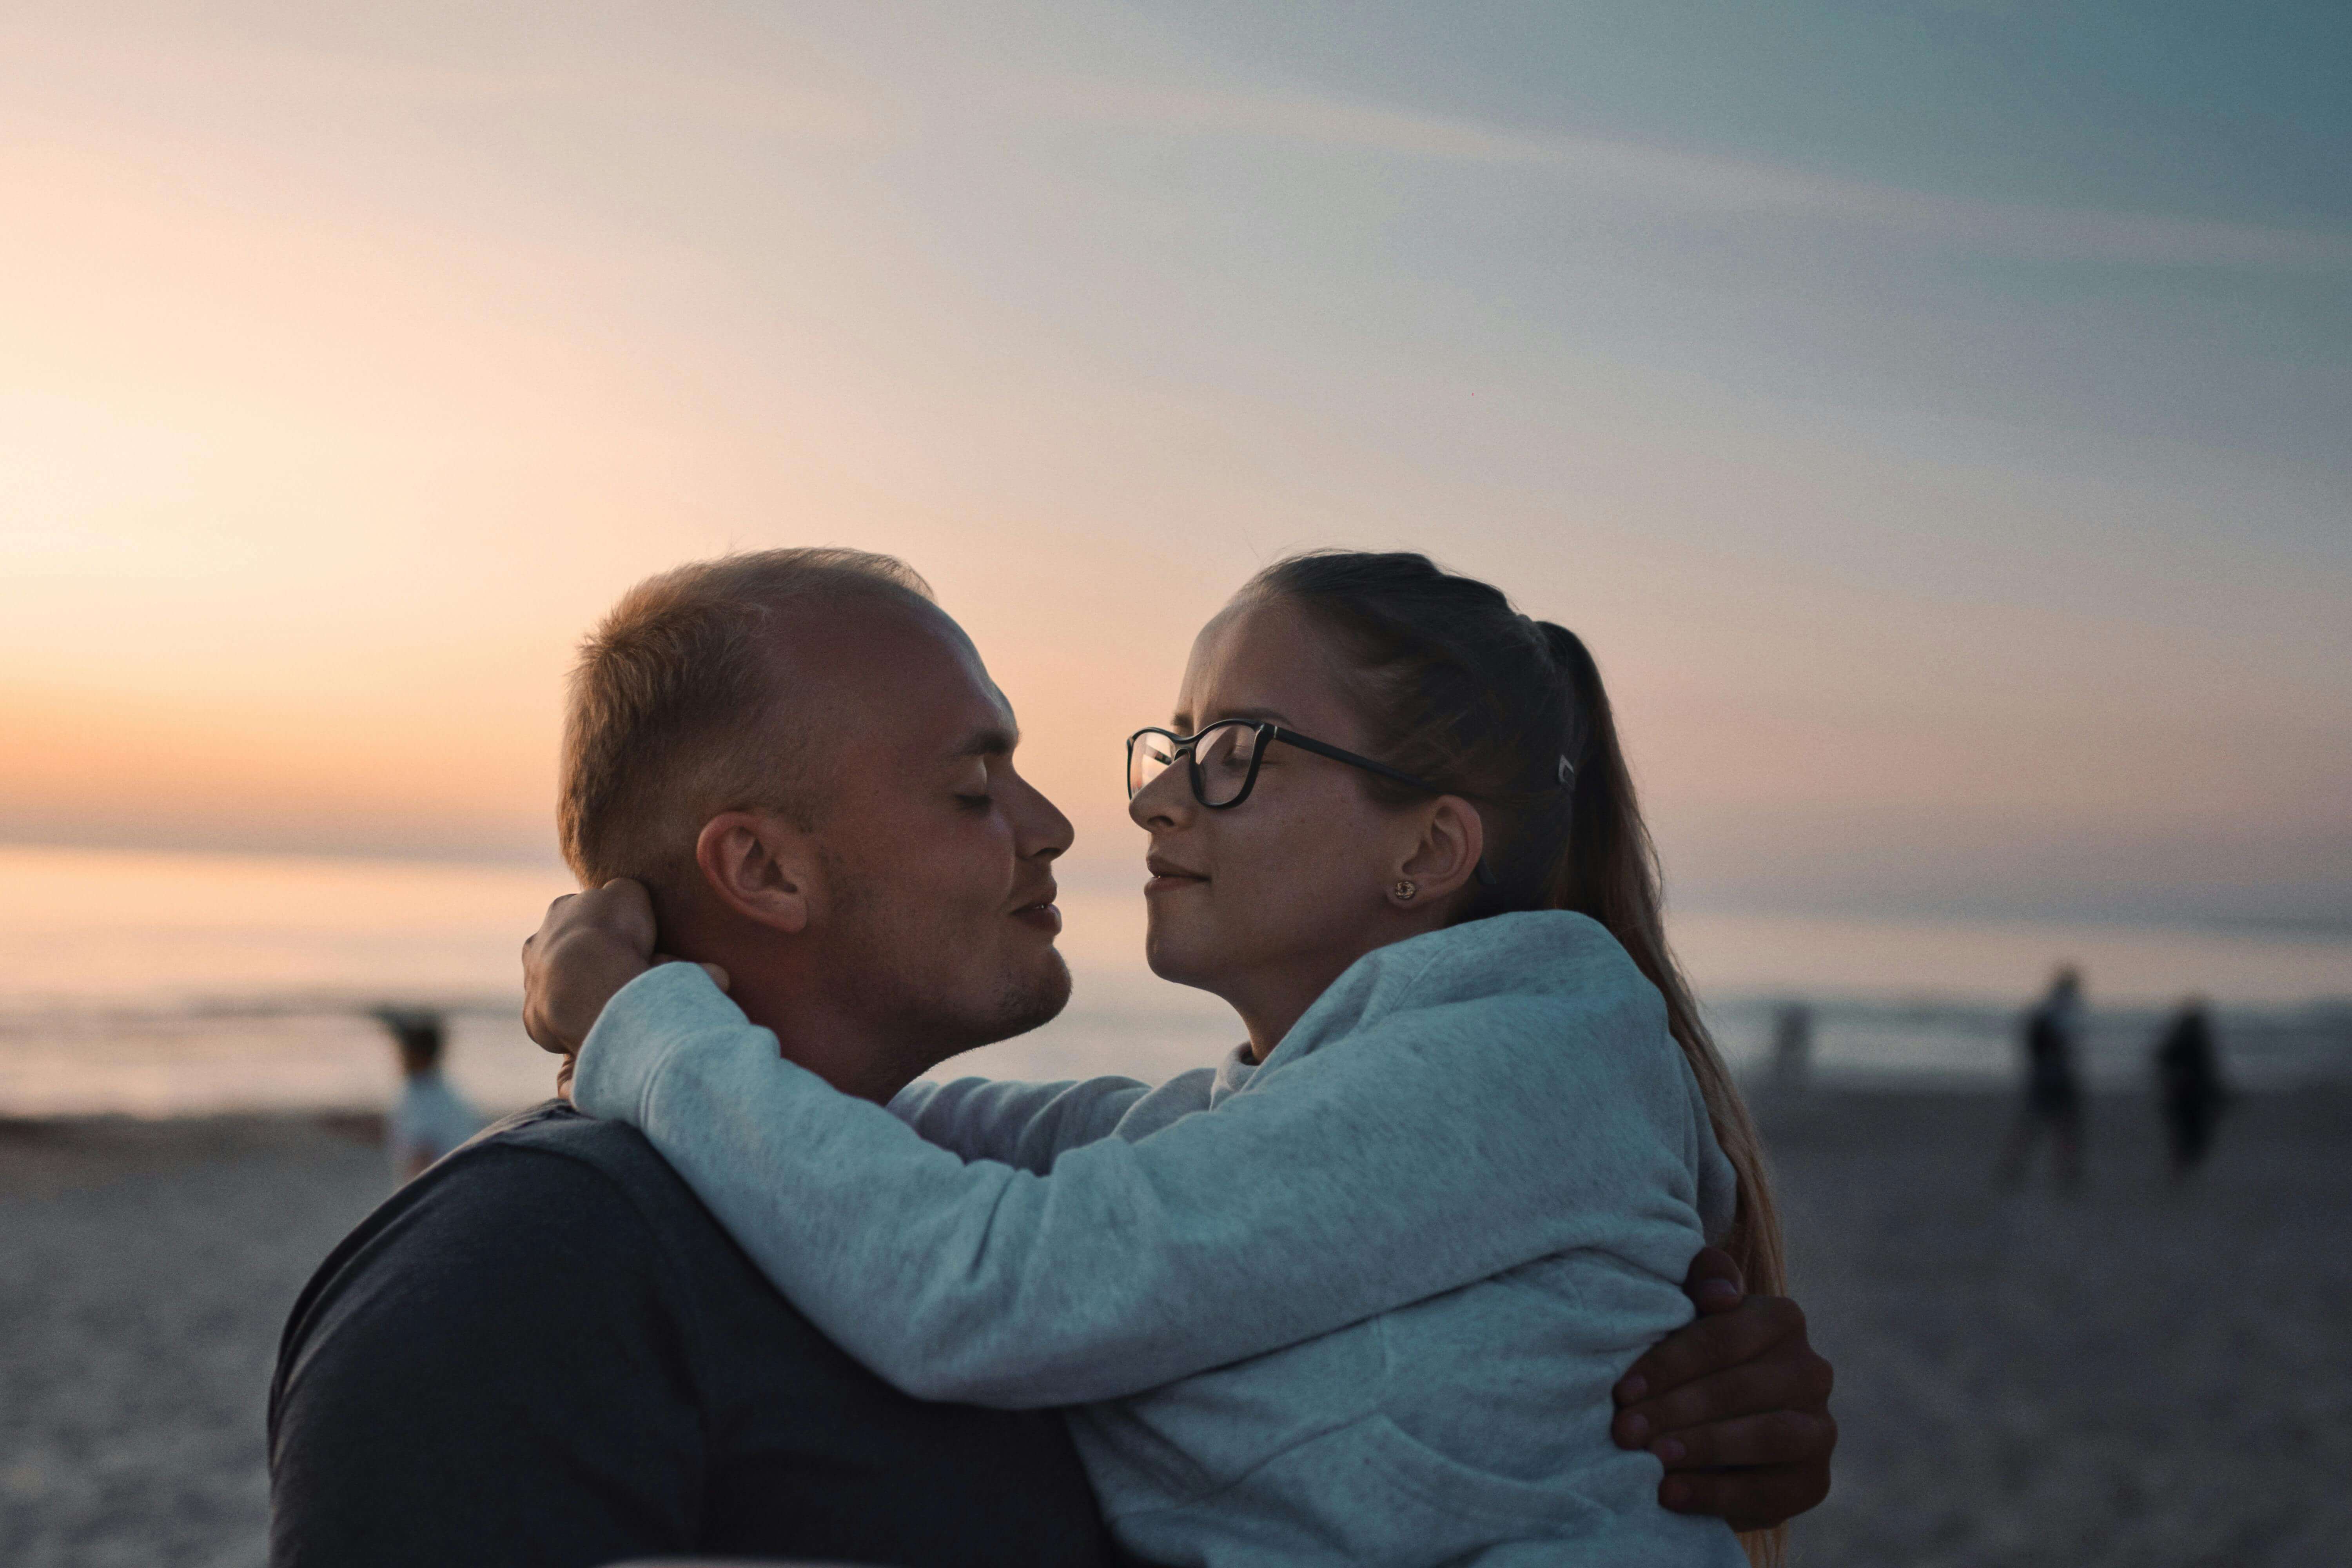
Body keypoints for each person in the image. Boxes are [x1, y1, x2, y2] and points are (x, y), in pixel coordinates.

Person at [271, 548, 1833, 1568]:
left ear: (1431, 850)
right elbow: (1038, 1161)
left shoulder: (1500, 1076)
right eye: (975, 785)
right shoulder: (518, 1277)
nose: (1097, 817)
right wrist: (656, 1039)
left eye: (1230, 759)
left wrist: (656, 1031)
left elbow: (1008, 1221)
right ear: (765, 870)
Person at [372, 1007, 486, 1183]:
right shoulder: (443, 1092)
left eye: (405, 1051)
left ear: (420, 1054)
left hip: (440, 1191)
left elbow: (423, 1156)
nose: (399, 1058)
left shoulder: (424, 1094)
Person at [1997, 965, 2086, 1191]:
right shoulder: (2058, 1013)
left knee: (2044, 1125)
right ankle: (2060, 1172)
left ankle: (2018, 1167)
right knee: (2056, 1126)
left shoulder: (2048, 1011)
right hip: (2053, 1078)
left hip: (2046, 1077)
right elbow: (2059, 1047)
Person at [2153, 996, 2228, 1180]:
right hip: (2186, 1096)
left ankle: (2180, 1169)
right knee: (2190, 1134)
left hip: (2186, 1096)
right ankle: (2180, 1169)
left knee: (2187, 1135)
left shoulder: (2184, 1041)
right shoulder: (2191, 1042)